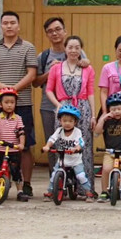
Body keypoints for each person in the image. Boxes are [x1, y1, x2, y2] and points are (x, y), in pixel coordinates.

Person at [0, 11, 37, 198]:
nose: (9, 26)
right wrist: (3, 90)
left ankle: (26, 184)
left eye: (12, 22)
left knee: (25, 144)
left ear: (18, 26)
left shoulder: (28, 47)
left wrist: (14, 90)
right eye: (5, 23)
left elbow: (32, 74)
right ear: (1, 26)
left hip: (23, 103)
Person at [34, 16, 90, 174]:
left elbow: (86, 70)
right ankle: (55, 181)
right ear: (47, 35)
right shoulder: (43, 56)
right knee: (53, 144)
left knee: (76, 143)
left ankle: (77, 181)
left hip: (74, 108)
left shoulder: (76, 52)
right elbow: (36, 82)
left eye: (58, 29)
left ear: (65, 31)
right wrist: (51, 72)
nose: (55, 33)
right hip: (48, 106)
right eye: (50, 31)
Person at [45, 35, 96, 193]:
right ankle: (60, 185)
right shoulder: (56, 68)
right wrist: (58, 104)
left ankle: (85, 188)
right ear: (65, 49)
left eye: (77, 47)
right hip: (63, 109)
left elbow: (90, 93)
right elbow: (48, 90)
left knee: (83, 147)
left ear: (81, 49)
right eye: (70, 47)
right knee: (61, 144)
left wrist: (93, 115)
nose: (73, 50)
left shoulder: (88, 69)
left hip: (83, 109)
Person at [41, 104, 98, 202]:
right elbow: (52, 138)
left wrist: (77, 148)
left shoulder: (77, 132)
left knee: (81, 176)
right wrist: (47, 146)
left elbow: (80, 142)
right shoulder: (59, 131)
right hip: (63, 159)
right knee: (54, 174)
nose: (67, 123)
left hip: (75, 160)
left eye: (70, 121)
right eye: (64, 121)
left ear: (75, 122)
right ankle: (50, 192)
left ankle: (89, 193)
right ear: (60, 121)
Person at [0, 87, 27, 202]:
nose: (9, 105)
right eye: (6, 102)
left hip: (13, 149)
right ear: (0, 104)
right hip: (0, 148)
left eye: (12, 102)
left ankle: (20, 191)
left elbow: (21, 132)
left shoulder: (18, 118)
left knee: (16, 170)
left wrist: (22, 144)